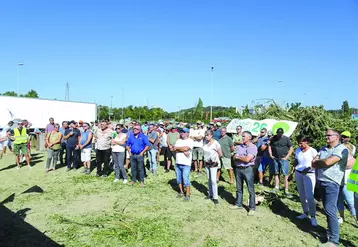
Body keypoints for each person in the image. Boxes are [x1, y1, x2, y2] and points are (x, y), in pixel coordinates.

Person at [312, 129, 348, 247]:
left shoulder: (341, 149)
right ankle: (330, 235)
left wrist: (320, 162)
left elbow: (328, 162)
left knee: (330, 210)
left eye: (329, 135)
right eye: (325, 135)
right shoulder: (323, 148)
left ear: (336, 136)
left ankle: (334, 242)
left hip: (332, 182)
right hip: (321, 180)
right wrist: (322, 162)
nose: (326, 137)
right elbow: (313, 162)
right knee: (327, 210)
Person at [293, 136, 318, 226]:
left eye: (301, 143)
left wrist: (309, 168)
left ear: (306, 142)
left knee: (309, 196)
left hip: (309, 174)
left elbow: (316, 163)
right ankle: (305, 212)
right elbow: (296, 161)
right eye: (298, 143)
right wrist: (292, 170)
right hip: (299, 173)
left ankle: (313, 216)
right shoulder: (298, 150)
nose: (300, 145)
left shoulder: (313, 151)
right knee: (302, 195)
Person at [231, 131, 258, 216]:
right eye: (242, 136)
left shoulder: (253, 147)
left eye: (243, 136)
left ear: (249, 138)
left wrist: (238, 157)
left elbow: (247, 159)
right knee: (239, 188)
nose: (242, 138)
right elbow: (234, 157)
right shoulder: (239, 147)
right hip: (238, 169)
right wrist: (239, 157)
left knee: (250, 189)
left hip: (248, 169)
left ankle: (252, 208)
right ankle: (238, 204)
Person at [268, 128, 294, 196]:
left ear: (282, 133)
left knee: (285, 174)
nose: (279, 135)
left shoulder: (286, 139)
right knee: (276, 173)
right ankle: (276, 187)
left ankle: (286, 190)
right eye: (278, 133)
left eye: (280, 133)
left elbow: (291, 148)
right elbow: (269, 146)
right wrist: (270, 154)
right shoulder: (273, 138)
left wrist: (287, 157)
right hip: (275, 158)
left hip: (283, 159)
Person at [337, 142, 356, 224]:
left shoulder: (353, 160)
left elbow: (347, 165)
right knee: (339, 200)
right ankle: (341, 217)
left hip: (347, 184)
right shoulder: (340, 158)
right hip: (338, 182)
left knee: (351, 202)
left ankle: (356, 219)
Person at [174, 127, 194, 201]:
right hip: (178, 162)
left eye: (183, 132)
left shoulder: (190, 141)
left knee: (186, 179)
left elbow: (186, 148)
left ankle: (188, 194)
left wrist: (178, 149)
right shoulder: (178, 140)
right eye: (181, 132)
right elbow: (174, 148)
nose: (182, 133)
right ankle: (181, 192)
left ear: (187, 133)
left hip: (186, 163)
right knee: (178, 179)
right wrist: (182, 150)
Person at [203, 130, 222, 204]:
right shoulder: (205, 143)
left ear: (211, 135)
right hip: (206, 163)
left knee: (213, 180)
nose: (206, 136)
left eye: (207, 135)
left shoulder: (216, 143)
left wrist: (216, 160)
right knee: (209, 179)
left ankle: (215, 197)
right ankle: (210, 194)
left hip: (213, 163)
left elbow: (220, 154)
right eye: (205, 135)